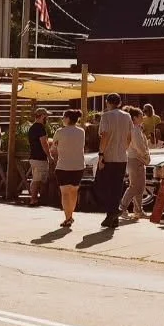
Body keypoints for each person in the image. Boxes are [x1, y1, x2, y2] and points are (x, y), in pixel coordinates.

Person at [96, 93, 133, 229]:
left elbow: (104, 135)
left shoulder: (106, 116)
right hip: (122, 156)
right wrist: (124, 148)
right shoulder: (127, 116)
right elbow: (129, 136)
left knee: (102, 186)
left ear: (107, 102)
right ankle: (112, 217)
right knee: (116, 187)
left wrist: (101, 154)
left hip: (109, 156)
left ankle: (112, 211)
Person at [51, 110, 87, 228]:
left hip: (64, 165)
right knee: (73, 191)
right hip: (78, 166)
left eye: (63, 117)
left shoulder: (60, 132)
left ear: (67, 119)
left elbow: (53, 148)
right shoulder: (81, 131)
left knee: (65, 193)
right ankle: (70, 215)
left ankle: (68, 218)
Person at [120, 106, 152, 221]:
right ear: (135, 117)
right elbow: (139, 146)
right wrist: (146, 156)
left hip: (136, 159)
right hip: (136, 159)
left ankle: (138, 210)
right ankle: (122, 208)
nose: (142, 117)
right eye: (140, 116)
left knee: (140, 186)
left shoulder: (136, 128)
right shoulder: (135, 130)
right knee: (134, 186)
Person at [27, 108, 53, 207]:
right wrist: (49, 156)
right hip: (39, 158)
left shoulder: (32, 127)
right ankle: (33, 199)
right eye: (46, 116)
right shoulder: (40, 128)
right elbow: (44, 143)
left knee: (38, 178)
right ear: (42, 116)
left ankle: (37, 199)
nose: (48, 118)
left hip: (34, 157)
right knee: (38, 179)